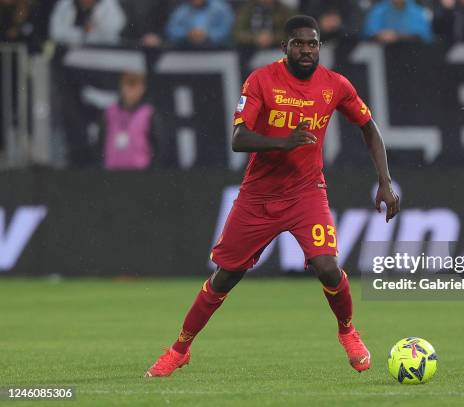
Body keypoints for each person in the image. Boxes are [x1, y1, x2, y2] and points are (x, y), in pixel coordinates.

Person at [145, 15, 400, 377]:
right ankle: (180, 348)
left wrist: (385, 181)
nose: (307, 50)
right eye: (299, 43)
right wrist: (284, 142)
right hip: (258, 197)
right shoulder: (261, 80)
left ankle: (348, 332)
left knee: (327, 266)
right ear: (285, 48)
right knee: (225, 277)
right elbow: (238, 139)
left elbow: (368, 127)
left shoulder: (334, 85)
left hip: (306, 193)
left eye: (313, 44)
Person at [100, 72, 167, 170]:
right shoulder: (109, 112)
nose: (131, 91)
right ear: (121, 87)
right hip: (112, 169)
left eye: (135, 86)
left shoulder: (148, 113)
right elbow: (100, 141)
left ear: (142, 89)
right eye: (128, 85)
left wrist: (153, 168)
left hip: (139, 170)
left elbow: (159, 144)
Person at [49, 0, 126, 45]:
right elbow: (56, 32)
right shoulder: (66, 4)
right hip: (68, 56)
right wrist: (82, 32)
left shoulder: (108, 5)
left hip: (102, 56)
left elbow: (115, 28)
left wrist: (95, 29)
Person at [165, 0, 234, 47]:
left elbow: (228, 29)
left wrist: (207, 35)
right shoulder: (182, 9)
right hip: (187, 53)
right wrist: (188, 34)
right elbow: (171, 29)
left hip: (218, 53)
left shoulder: (220, 8)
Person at [362, 0, 434, 43]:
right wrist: (380, 35)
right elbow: (367, 34)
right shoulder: (377, 12)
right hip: (383, 61)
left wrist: (398, 36)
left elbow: (426, 37)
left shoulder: (420, 13)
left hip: (414, 59)